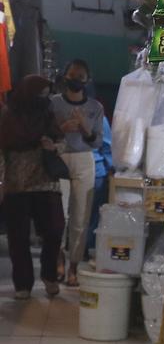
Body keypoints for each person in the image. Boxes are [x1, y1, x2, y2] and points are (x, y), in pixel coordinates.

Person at [0, 75, 65, 299]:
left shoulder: (47, 113)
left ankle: (49, 275)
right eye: (39, 94)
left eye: (46, 94)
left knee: (55, 229)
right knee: (18, 237)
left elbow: (61, 140)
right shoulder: (8, 115)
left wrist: (53, 145)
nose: (43, 99)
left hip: (46, 181)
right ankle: (23, 284)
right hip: (16, 183)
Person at [51, 59, 105, 287]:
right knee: (58, 217)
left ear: (87, 81)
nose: (75, 80)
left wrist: (85, 128)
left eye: (80, 77)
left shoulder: (95, 108)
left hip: (84, 160)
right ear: (65, 76)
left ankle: (74, 265)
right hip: (59, 159)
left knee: (80, 218)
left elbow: (97, 142)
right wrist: (61, 129)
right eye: (72, 75)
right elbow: (44, 134)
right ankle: (58, 260)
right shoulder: (53, 104)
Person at [85, 116, 113, 260]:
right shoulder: (99, 117)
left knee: (75, 215)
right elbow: (107, 146)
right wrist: (109, 168)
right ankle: (87, 247)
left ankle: (79, 249)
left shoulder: (61, 111)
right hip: (97, 171)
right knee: (93, 215)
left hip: (73, 172)